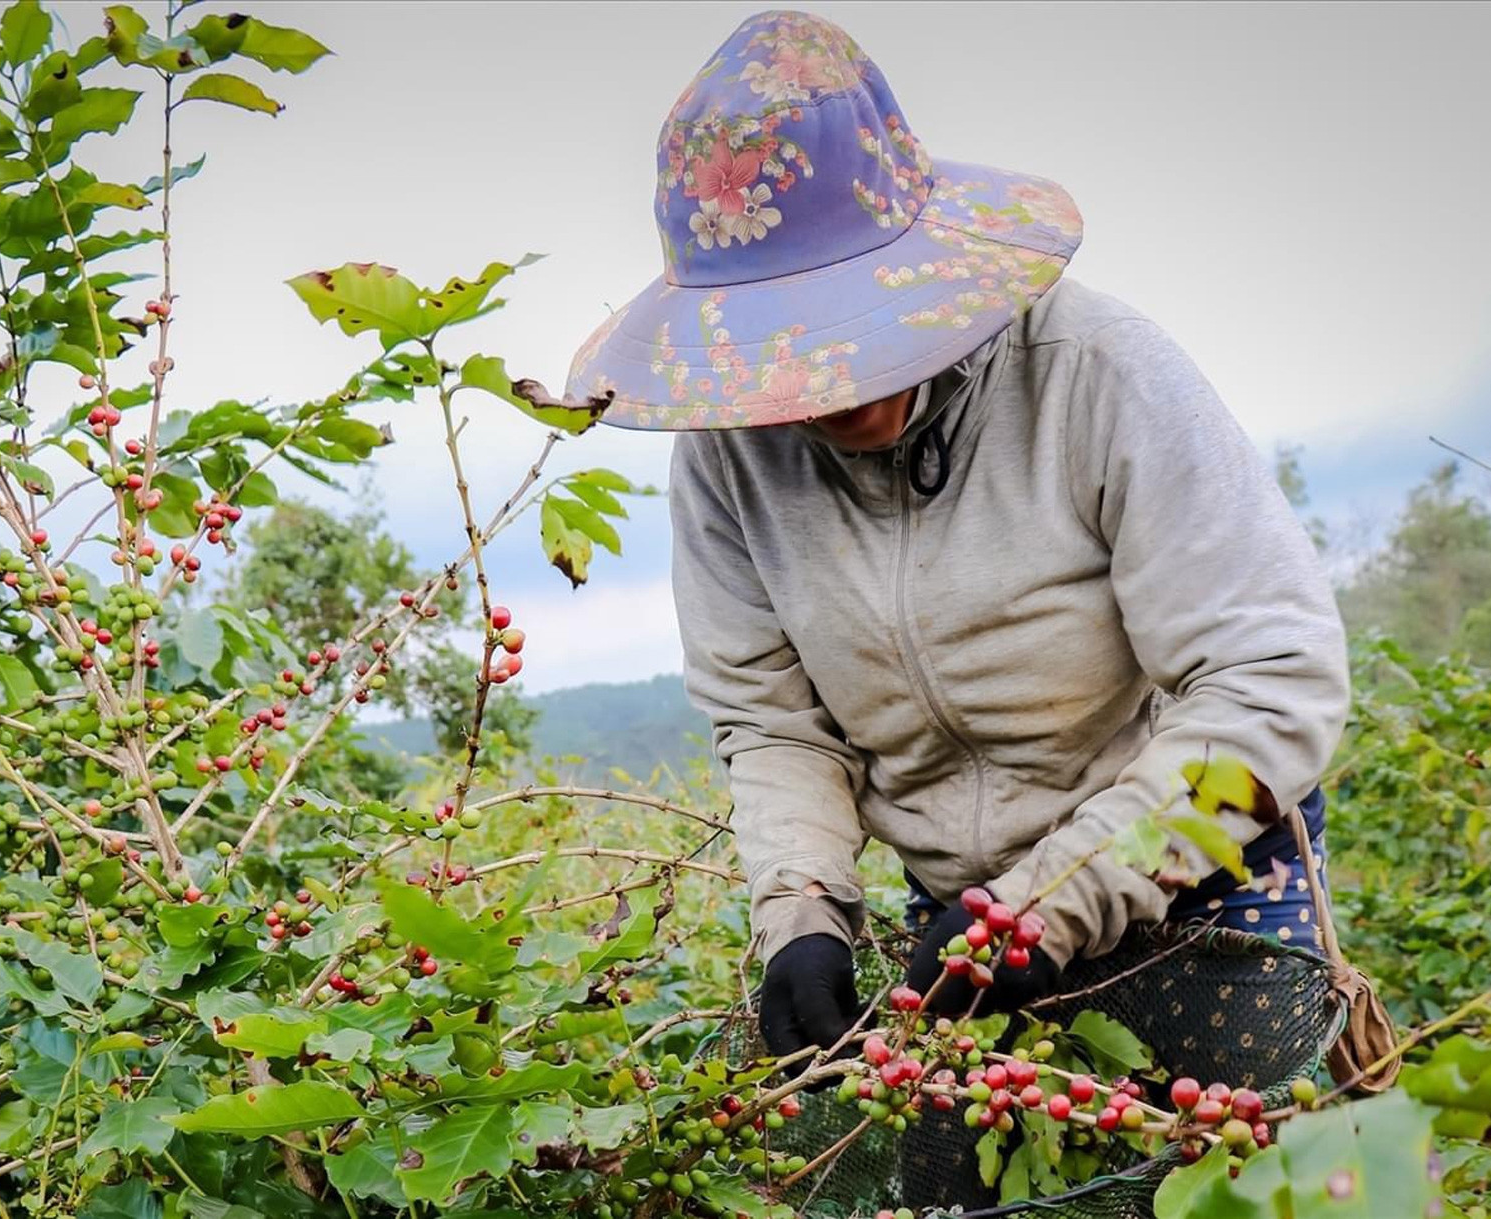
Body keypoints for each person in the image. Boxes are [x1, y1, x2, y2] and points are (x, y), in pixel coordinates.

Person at [564, 3, 1347, 1125]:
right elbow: (772, 723)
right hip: (956, 918)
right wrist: (801, 914)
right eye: (792, 349)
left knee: (1221, 1175)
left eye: (850, 327)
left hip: (1203, 864)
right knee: (977, 1188)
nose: (832, 386)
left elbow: (1272, 686)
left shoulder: (1095, 373)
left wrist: (1056, 899)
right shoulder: (729, 458)